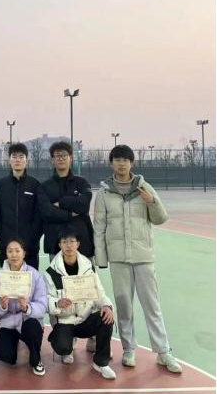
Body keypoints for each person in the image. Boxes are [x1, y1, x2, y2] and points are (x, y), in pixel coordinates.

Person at [94, 144, 182, 373]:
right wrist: (101, 258)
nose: (121, 164)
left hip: (143, 255)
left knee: (152, 305)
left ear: (132, 163)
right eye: (117, 160)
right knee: (124, 305)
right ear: (111, 163)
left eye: (125, 160)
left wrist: (151, 201)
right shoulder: (104, 193)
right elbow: (99, 227)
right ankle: (128, 349)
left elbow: (161, 218)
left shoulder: (144, 187)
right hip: (118, 257)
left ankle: (163, 351)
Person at [44, 229, 116, 380]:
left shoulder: (88, 267)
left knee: (106, 317)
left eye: (72, 241)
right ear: (60, 245)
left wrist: (107, 306)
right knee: (63, 347)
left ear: (78, 244)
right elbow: (47, 301)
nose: (68, 245)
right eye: (64, 242)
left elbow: (99, 293)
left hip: (85, 319)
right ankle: (65, 343)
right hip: (65, 321)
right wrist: (58, 303)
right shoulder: (51, 272)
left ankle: (101, 363)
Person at [0, 238, 47, 376]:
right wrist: (1, 306)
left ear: (24, 253)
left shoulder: (34, 275)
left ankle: (36, 358)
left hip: (28, 320)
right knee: (2, 353)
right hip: (8, 321)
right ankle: (13, 343)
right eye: (10, 251)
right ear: (6, 253)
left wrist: (27, 308)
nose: (14, 255)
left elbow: (43, 306)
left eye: (17, 251)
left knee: (32, 329)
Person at [38, 141, 94, 261]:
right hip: (55, 244)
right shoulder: (44, 186)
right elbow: (47, 212)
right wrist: (70, 214)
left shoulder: (82, 183)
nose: (61, 158)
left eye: (64, 155)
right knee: (57, 274)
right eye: (57, 156)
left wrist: (61, 203)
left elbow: (84, 205)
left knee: (86, 274)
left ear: (71, 158)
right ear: (52, 160)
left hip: (82, 244)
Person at [0, 143, 43, 269]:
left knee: (30, 279)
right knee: (7, 280)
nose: (17, 160)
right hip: (7, 246)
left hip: (30, 247)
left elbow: (39, 214)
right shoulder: (1, 185)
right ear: (9, 160)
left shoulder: (35, 184)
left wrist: (33, 236)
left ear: (27, 160)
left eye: (21, 157)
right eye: (14, 157)